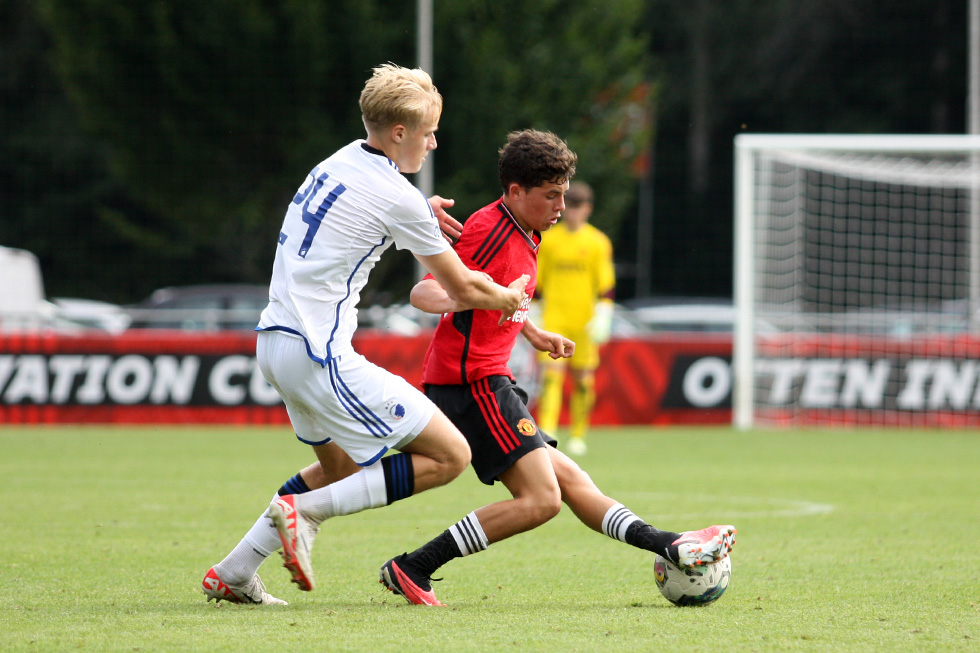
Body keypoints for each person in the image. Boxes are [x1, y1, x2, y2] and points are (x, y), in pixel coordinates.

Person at [201, 63, 529, 605]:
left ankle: (234, 572)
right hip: (318, 353)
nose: (433, 141)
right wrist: (509, 296)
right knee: (450, 455)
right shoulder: (395, 196)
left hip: (275, 344)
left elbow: (353, 216)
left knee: (340, 469)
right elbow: (464, 289)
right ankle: (301, 515)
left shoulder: (336, 163)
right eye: (427, 132)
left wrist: (417, 215)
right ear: (399, 134)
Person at [377, 129, 735, 607]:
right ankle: (415, 565)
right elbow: (425, 292)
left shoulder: (527, 229)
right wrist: (461, 296)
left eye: (564, 194)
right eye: (551, 195)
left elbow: (497, 295)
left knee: (572, 482)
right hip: (471, 384)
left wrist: (530, 329)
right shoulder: (491, 229)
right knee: (542, 501)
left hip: (488, 379)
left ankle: (671, 543)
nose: (561, 206)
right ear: (516, 191)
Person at [533, 180, 615, 456]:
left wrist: (604, 313)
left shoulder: (597, 242)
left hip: (584, 321)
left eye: (579, 208)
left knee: (582, 381)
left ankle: (579, 434)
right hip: (554, 317)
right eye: (571, 207)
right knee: (551, 378)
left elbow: (605, 285)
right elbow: (537, 281)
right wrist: (533, 312)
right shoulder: (550, 241)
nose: (573, 213)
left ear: (588, 209)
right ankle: (548, 432)